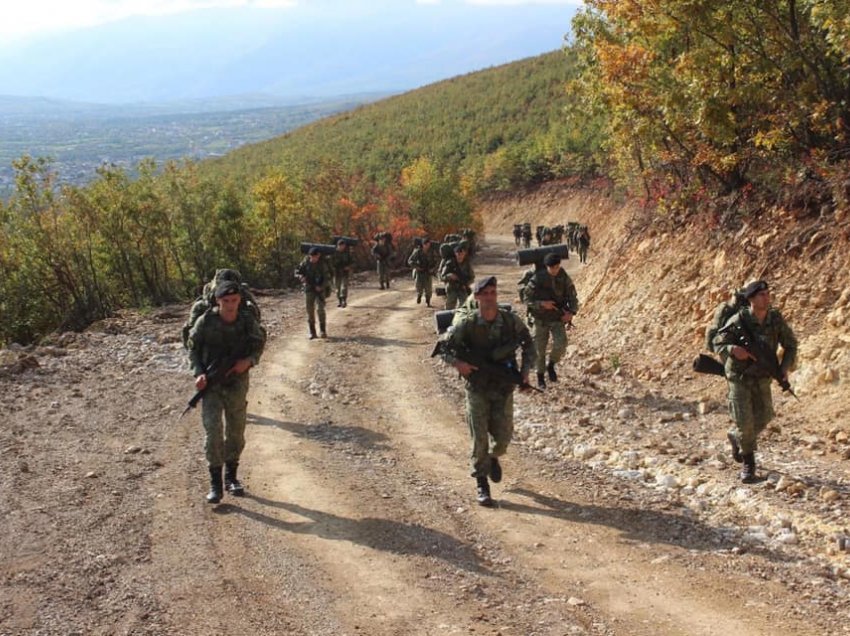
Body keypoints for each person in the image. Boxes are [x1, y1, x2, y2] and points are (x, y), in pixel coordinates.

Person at [439, 276, 535, 507]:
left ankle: (493, 458)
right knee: (479, 438)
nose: (490, 297)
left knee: (503, 438)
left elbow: (529, 345)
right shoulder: (468, 324)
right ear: (477, 297)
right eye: (485, 293)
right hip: (477, 388)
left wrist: (525, 371)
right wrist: (458, 364)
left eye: (493, 292)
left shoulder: (510, 321)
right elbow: (443, 347)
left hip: (503, 388)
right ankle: (482, 483)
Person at [187, 279, 267, 503]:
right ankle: (215, 483)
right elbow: (192, 350)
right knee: (213, 431)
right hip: (211, 384)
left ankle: (232, 477)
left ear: (240, 299)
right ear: (217, 300)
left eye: (234, 300)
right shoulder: (205, 322)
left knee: (235, 430)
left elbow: (259, 343)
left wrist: (249, 362)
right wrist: (198, 373)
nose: (230, 305)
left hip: (237, 382)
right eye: (225, 301)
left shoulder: (246, 321)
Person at [713, 280, 798, 483]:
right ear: (751, 299)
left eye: (768, 294)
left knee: (766, 415)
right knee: (745, 420)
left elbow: (791, 345)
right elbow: (718, 341)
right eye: (762, 295)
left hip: (762, 376)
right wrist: (733, 350)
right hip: (739, 377)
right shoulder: (738, 320)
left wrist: (784, 368)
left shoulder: (775, 319)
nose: (766, 298)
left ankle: (737, 436)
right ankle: (748, 464)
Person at [525, 252, 578, 389]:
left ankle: (551, 365)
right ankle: (540, 376)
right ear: (547, 267)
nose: (556, 270)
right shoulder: (537, 278)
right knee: (539, 350)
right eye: (552, 268)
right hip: (539, 319)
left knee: (562, 344)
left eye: (558, 267)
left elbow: (572, 296)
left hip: (556, 318)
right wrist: (542, 304)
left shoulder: (563, 276)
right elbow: (526, 299)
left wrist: (571, 313)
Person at [181, 268, 260, 348]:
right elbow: (189, 333)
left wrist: (251, 357)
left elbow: (258, 332)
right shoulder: (203, 305)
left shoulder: (246, 301)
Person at [295, 246, 333, 339]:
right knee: (310, 310)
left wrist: (321, 287)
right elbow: (297, 271)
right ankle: (312, 332)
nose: (313, 259)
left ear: (318, 256)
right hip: (309, 288)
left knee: (320, 310)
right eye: (311, 257)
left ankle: (323, 331)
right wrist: (300, 277)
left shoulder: (322, 264)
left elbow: (327, 278)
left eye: (314, 257)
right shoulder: (305, 262)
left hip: (320, 290)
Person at [439, 243, 474, 310]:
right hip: (451, 288)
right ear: (455, 254)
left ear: (464, 254)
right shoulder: (450, 263)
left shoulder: (467, 264)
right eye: (458, 254)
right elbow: (441, 276)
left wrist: (467, 284)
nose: (460, 256)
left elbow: (472, 277)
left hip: (462, 288)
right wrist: (449, 276)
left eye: (462, 254)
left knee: (464, 306)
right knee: (449, 307)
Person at [407, 237, 436, 306]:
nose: (427, 246)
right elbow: (410, 261)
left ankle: (428, 301)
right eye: (426, 245)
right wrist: (416, 267)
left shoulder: (431, 252)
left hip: (428, 272)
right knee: (419, 287)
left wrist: (433, 269)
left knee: (428, 289)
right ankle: (419, 295)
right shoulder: (417, 252)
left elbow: (436, 261)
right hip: (420, 272)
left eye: (429, 245)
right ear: (423, 244)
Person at [331, 239, 353, 308]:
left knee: (344, 287)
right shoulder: (333, 253)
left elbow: (352, 262)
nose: (342, 247)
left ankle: (344, 300)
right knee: (337, 288)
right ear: (338, 246)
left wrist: (349, 267)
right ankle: (340, 300)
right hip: (336, 273)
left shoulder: (347, 253)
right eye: (341, 246)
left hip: (344, 272)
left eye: (343, 246)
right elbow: (330, 263)